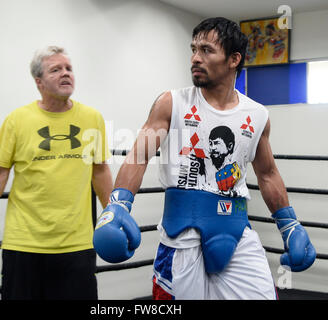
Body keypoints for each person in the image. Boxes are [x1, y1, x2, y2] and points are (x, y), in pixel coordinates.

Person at [93, 17, 316, 299]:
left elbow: (267, 173)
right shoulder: (172, 103)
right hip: (182, 233)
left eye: (206, 50)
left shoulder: (257, 114)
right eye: (193, 49)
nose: (195, 58)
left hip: (236, 229)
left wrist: (289, 223)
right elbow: (140, 154)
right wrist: (118, 204)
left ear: (234, 59)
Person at [0, 46, 113, 300]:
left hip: (77, 245)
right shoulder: (17, 120)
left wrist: (114, 215)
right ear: (39, 82)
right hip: (24, 245)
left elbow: (99, 171)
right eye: (56, 69)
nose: (66, 74)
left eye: (69, 68)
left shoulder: (92, 118)